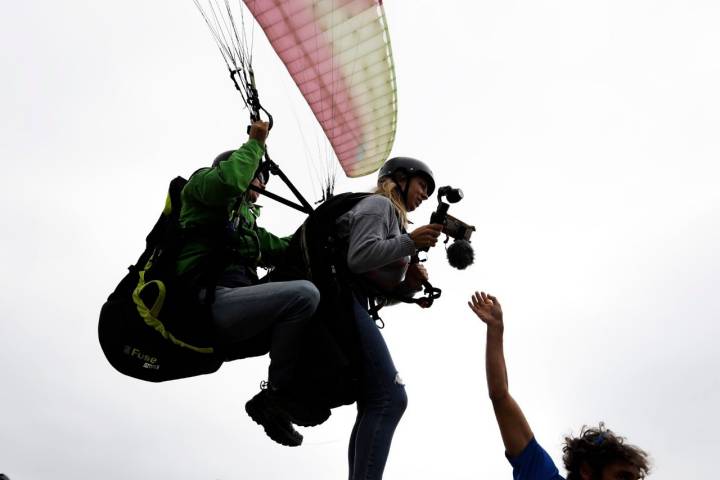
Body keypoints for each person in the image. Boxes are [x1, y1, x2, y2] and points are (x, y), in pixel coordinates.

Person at [176, 120, 321, 447]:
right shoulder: (200, 189)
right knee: (303, 296)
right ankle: (278, 396)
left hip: (232, 314)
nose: (259, 183)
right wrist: (255, 143)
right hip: (202, 305)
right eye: (256, 175)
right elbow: (229, 183)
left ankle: (290, 399)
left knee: (316, 298)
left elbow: (291, 248)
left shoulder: (250, 232)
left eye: (262, 178)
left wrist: (326, 222)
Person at [336, 157, 443, 480]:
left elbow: (370, 284)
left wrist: (408, 288)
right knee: (390, 397)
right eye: (422, 185)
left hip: (349, 299)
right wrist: (409, 242)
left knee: (376, 399)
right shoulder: (379, 207)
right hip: (338, 300)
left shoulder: (393, 221)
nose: (424, 194)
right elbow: (358, 258)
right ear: (400, 178)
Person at [468, 291, 651, 480]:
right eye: (622, 477)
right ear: (587, 470)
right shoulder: (542, 475)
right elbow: (500, 396)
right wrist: (496, 329)